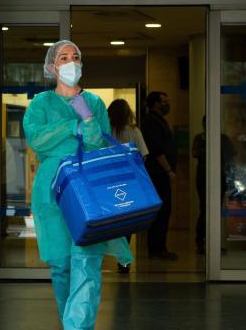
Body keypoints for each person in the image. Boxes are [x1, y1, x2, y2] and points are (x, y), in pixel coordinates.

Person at [22, 40, 133, 330]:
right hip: (52, 192)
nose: (70, 62)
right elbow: (37, 140)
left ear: (81, 64)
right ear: (52, 66)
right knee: (61, 266)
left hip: (88, 189)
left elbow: (97, 142)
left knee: (87, 261)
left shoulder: (94, 102)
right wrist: (72, 127)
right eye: (63, 57)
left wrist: (85, 114)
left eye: (75, 57)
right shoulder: (41, 104)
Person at [107, 98, 149, 273]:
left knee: (112, 220)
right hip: (130, 181)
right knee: (127, 221)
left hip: (108, 181)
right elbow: (144, 155)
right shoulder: (134, 131)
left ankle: (110, 254)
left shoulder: (105, 131)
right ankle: (124, 261)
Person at [141, 91, 178, 260]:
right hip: (157, 174)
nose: (167, 104)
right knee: (161, 211)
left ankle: (160, 247)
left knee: (164, 211)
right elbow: (156, 149)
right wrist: (168, 170)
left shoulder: (159, 121)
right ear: (155, 103)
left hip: (161, 173)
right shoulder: (151, 122)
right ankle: (157, 249)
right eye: (164, 101)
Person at [191, 115, 235, 254]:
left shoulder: (223, 138)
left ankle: (214, 243)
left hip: (219, 177)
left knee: (216, 211)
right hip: (204, 177)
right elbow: (195, 153)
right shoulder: (200, 138)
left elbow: (232, 153)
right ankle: (201, 242)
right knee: (205, 209)